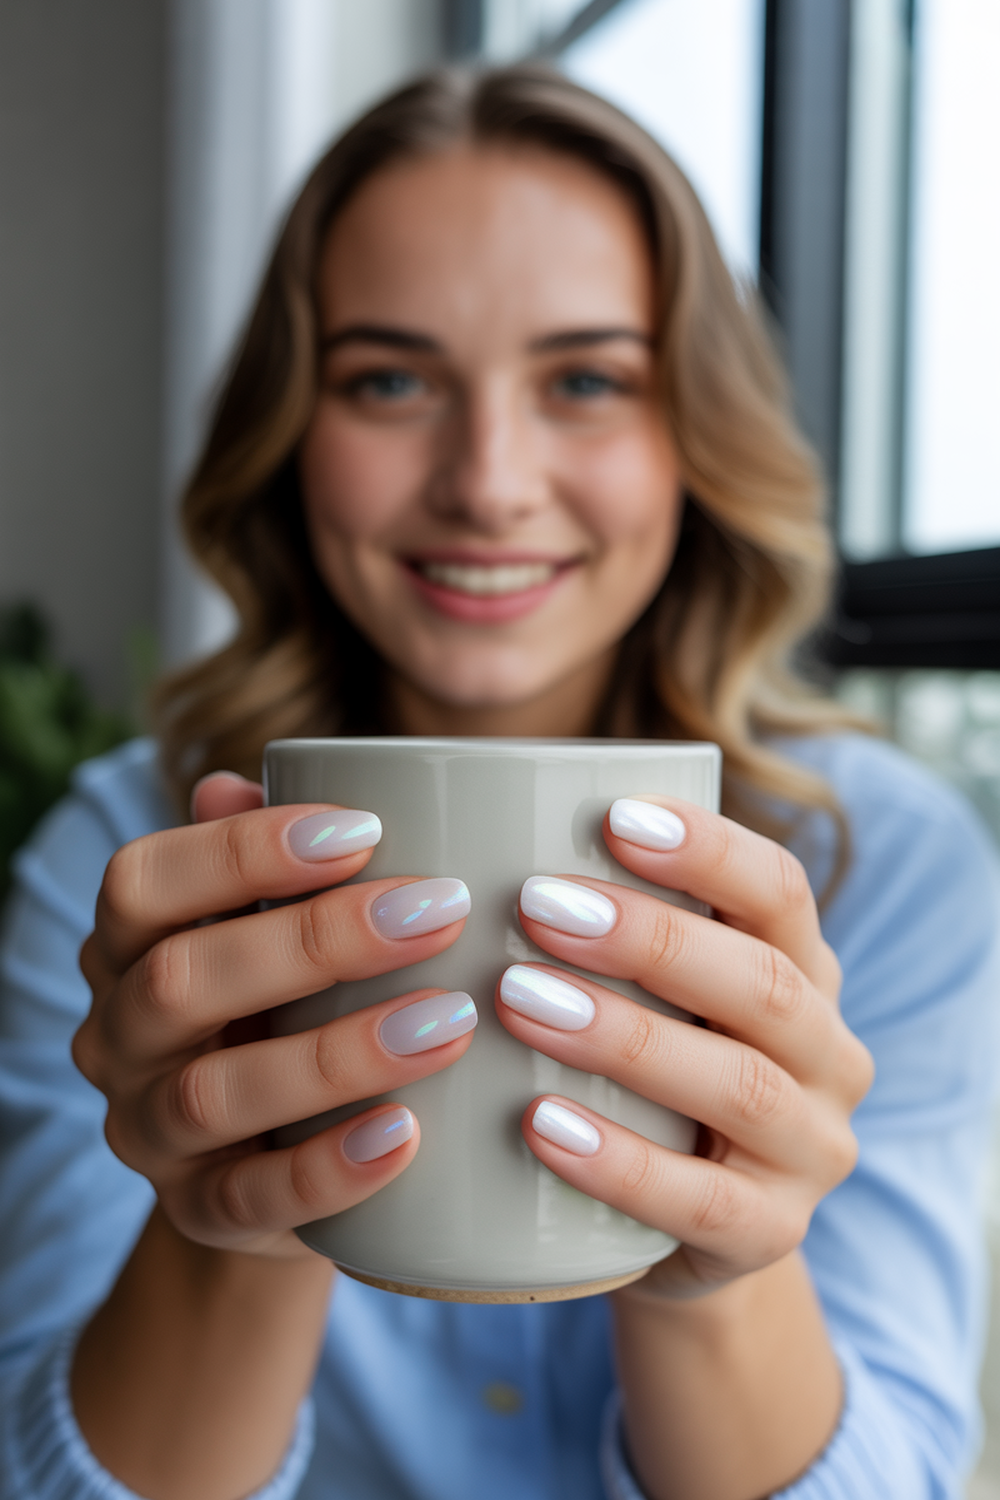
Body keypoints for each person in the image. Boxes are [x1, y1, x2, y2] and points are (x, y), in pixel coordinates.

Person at [0, 65, 997, 1500]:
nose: (488, 479)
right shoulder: (123, 860)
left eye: (586, 379)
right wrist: (237, 1221)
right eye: (390, 379)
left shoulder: (873, 867)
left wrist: (710, 1272)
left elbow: (903, 1465)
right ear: (288, 439)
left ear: (693, 441)